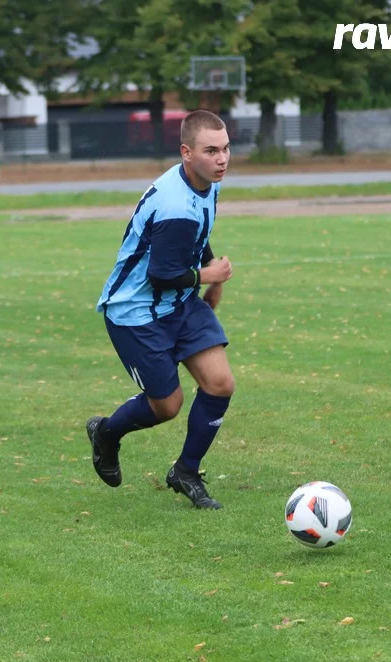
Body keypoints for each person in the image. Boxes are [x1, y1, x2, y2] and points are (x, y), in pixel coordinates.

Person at [87, 110, 235, 509]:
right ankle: (106, 433)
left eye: (225, 149)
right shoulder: (174, 206)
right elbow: (162, 274)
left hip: (179, 303)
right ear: (186, 152)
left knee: (220, 383)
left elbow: (198, 234)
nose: (222, 159)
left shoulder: (206, 182)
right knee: (167, 406)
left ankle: (186, 471)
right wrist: (207, 274)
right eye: (211, 151)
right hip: (136, 312)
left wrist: (212, 278)